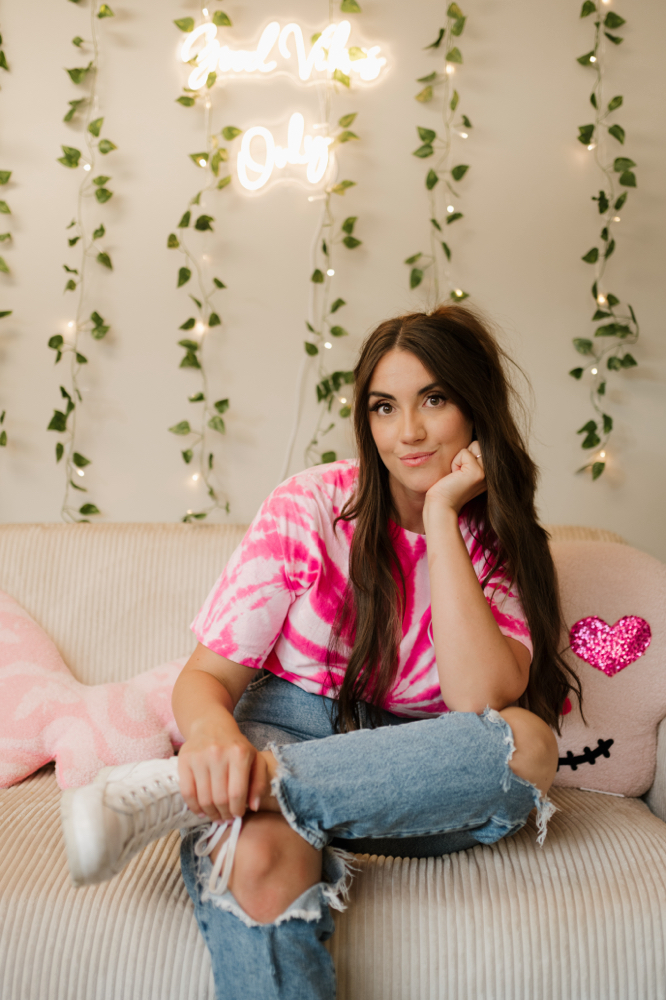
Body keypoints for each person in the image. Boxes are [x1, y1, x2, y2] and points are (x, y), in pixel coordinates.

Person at [61, 304, 581, 1000]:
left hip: (417, 770)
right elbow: (207, 678)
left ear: (475, 407)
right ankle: (238, 792)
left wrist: (440, 518)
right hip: (292, 717)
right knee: (260, 852)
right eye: (384, 407)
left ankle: (213, 795)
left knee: (528, 744)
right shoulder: (310, 506)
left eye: (434, 399)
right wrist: (216, 742)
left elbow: (476, 701)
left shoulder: (506, 541)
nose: (410, 432)